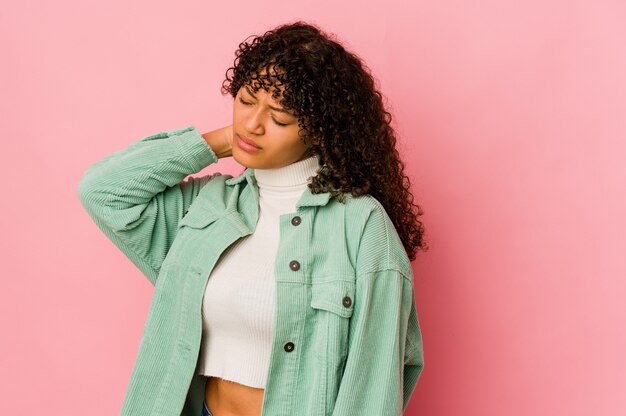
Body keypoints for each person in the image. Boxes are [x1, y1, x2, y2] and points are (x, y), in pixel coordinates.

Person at [77, 20, 426, 416]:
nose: (253, 123)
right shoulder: (209, 206)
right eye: (246, 100)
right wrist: (224, 141)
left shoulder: (361, 226)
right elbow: (103, 191)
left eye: (279, 117)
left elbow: (373, 386)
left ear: (319, 132)